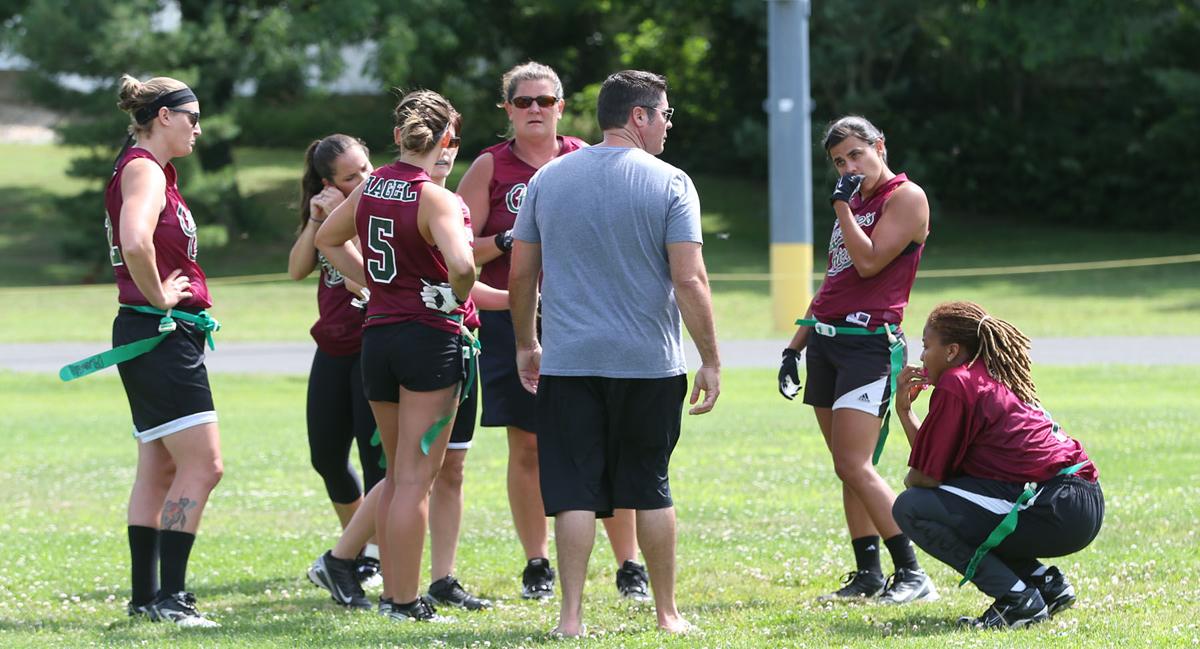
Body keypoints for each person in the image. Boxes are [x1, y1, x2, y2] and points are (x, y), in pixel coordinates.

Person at [509, 69, 721, 637]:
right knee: (650, 486)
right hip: (648, 364)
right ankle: (667, 614)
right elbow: (689, 279)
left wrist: (527, 342)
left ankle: (570, 619)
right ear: (638, 116)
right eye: (665, 114)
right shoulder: (672, 182)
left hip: (569, 362)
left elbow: (522, 273)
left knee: (574, 493)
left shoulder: (547, 179)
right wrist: (710, 357)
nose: (668, 125)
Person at [458, 61, 649, 601]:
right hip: (513, 318)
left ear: (561, 106)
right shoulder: (490, 166)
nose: (535, 110)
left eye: (545, 101)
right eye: (523, 102)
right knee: (528, 446)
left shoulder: (583, 157)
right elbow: (458, 250)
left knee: (605, 438)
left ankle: (629, 563)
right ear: (508, 109)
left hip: (580, 315)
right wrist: (512, 239)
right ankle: (537, 563)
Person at [307, 114, 501, 613]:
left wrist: (377, 288)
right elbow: (462, 266)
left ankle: (394, 595)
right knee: (415, 479)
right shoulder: (434, 197)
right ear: (445, 140)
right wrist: (455, 297)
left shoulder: (371, 187)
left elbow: (326, 239)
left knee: (395, 476)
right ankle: (405, 599)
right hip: (428, 342)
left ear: (397, 136)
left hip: (378, 338)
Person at [777, 115, 937, 604]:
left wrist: (842, 206)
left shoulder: (905, 197)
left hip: (869, 346)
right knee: (847, 466)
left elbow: (868, 263)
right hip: (827, 342)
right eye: (838, 161)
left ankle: (913, 573)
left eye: (855, 154)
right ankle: (867, 573)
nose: (848, 167)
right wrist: (794, 346)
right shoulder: (853, 202)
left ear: (879, 146)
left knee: (854, 463)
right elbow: (835, 282)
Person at [892, 301, 1103, 629]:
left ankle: (1018, 599)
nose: (921, 356)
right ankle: (1044, 583)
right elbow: (936, 468)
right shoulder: (988, 372)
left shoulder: (957, 383)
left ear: (951, 351)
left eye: (926, 346)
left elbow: (924, 478)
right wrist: (906, 412)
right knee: (958, 506)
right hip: (1078, 499)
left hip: (1054, 504)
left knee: (910, 507)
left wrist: (905, 420)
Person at [106, 74, 222, 627]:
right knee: (205, 465)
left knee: (159, 467)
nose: (198, 128)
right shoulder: (145, 169)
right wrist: (161, 299)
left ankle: (145, 597)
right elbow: (135, 240)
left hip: (150, 332)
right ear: (164, 116)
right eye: (192, 117)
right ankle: (172, 599)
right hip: (157, 332)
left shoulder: (151, 169)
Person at [286, 134, 382, 585]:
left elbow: (366, 279)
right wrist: (316, 220)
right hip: (331, 346)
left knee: (376, 460)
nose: (364, 179)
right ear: (328, 183)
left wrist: (346, 226)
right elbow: (296, 269)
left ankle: (375, 556)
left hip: (373, 345)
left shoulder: (381, 210)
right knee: (326, 457)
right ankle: (356, 545)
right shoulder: (328, 214)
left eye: (366, 168)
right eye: (350, 176)